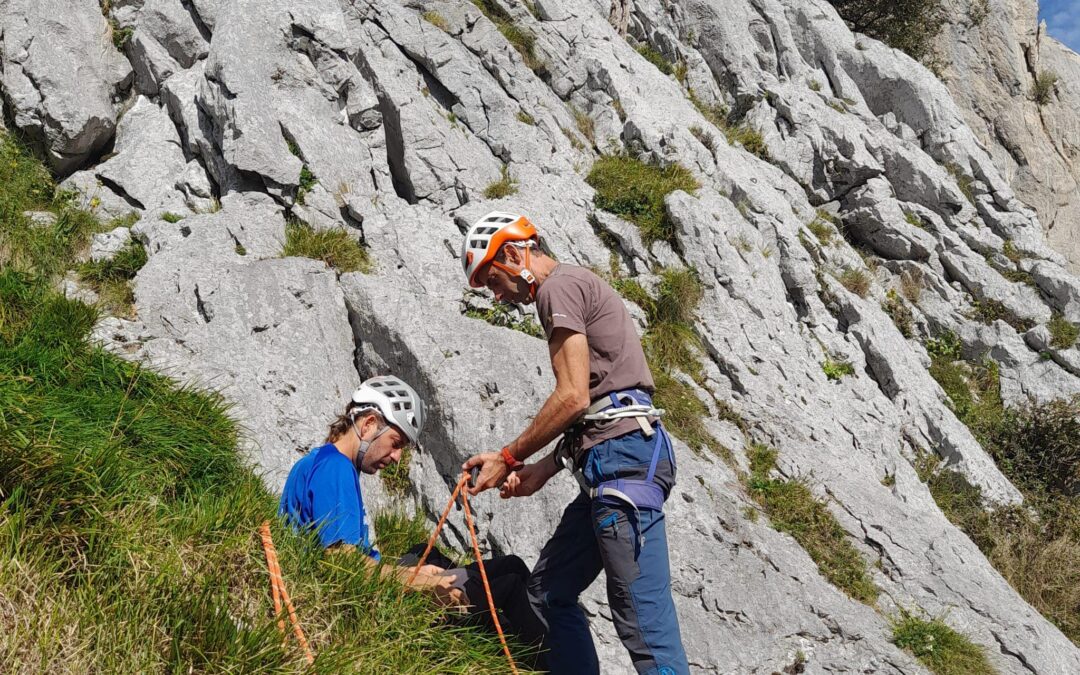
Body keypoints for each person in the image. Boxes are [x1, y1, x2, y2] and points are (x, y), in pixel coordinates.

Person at [460, 211, 690, 675]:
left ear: (513, 253)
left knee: (643, 624)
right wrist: (541, 471)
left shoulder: (556, 289)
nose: (495, 294)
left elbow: (572, 397)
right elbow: (593, 408)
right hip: (610, 462)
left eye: (492, 279)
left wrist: (509, 458)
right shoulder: (570, 286)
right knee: (546, 593)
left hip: (622, 467)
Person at [278, 375, 547, 659]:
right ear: (369, 424)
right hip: (368, 608)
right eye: (395, 442)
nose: (396, 457)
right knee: (511, 584)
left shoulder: (323, 461)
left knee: (487, 563)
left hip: (370, 591)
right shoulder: (336, 469)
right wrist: (419, 582)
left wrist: (415, 574)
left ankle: (489, 624)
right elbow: (341, 561)